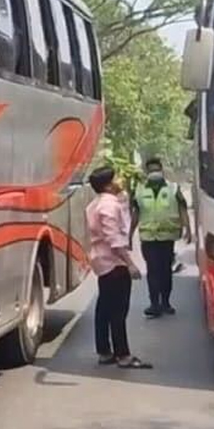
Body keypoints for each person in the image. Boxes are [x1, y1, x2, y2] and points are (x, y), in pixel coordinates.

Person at [85, 165, 150, 368]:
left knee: (104, 308)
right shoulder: (109, 206)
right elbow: (114, 239)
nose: (119, 180)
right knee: (118, 311)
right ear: (108, 184)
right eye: (116, 178)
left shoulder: (95, 204)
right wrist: (130, 264)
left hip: (101, 262)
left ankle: (105, 351)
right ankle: (123, 355)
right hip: (114, 263)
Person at [130, 158, 191, 318]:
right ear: (146, 172)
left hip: (167, 237)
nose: (154, 173)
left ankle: (165, 302)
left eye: (157, 169)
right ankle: (154, 304)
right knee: (152, 271)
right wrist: (129, 235)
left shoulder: (173, 188)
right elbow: (135, 214)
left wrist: (188, 229)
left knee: (165, 271)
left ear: (162, 170)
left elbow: (182, 209)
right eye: (151, 170)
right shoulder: (139, 190)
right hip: (148, 238)